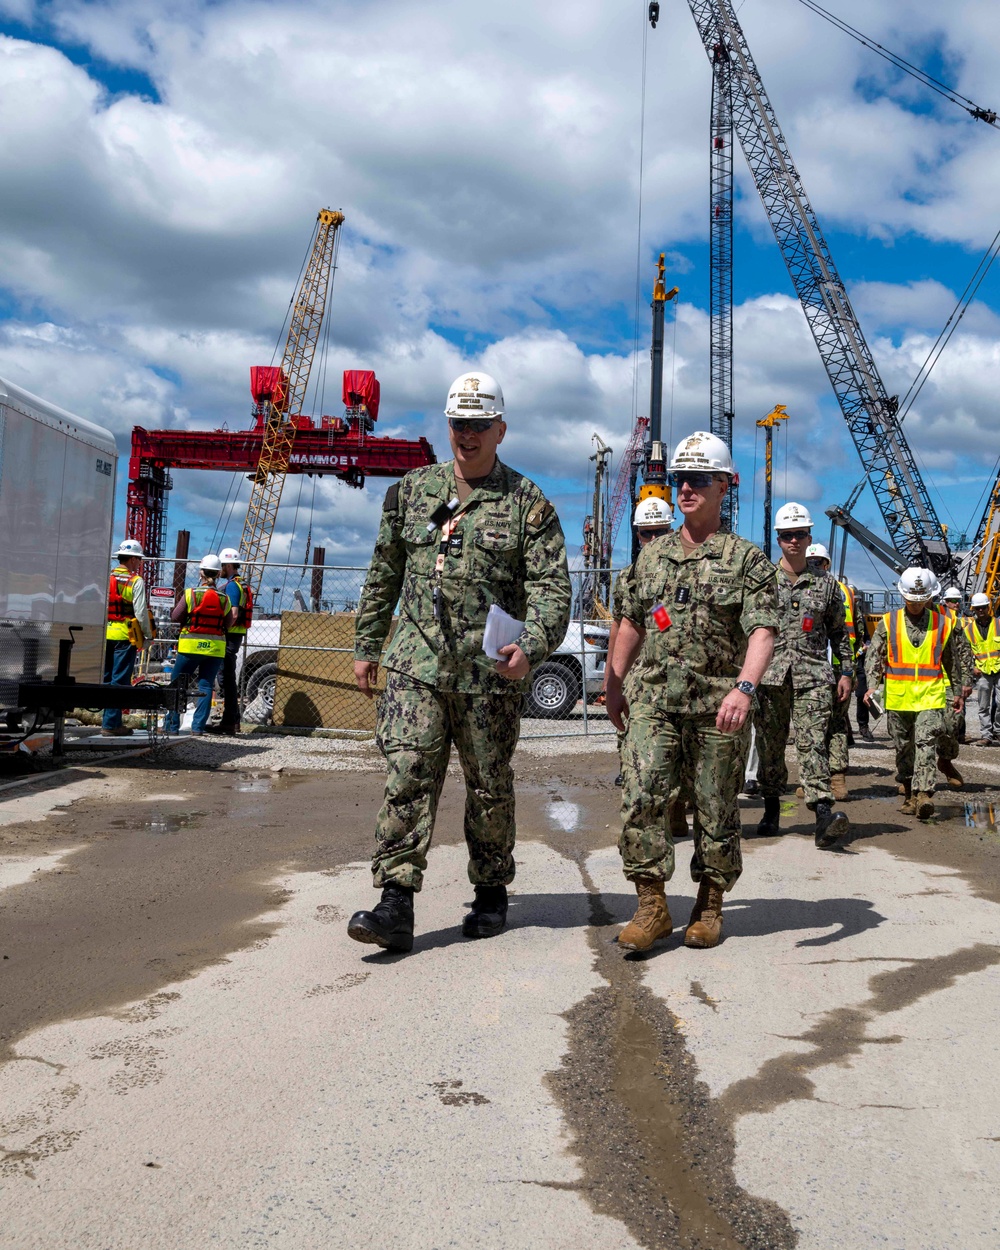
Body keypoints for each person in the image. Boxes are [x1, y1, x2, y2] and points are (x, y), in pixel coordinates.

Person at [347, 371, 572, 953]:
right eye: (457, 424)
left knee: (489, 787)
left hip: (488, 676)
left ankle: (491, 890)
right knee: (407, 778)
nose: (466, 436)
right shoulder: (412, 492)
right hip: (415, 665)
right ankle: (395, 900)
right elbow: (384, 574)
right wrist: (367, 644)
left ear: (500, 429)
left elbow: (552, 588)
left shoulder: (529, 504)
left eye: (478, 425)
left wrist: (536, 645)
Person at [606, 431, 778, 952]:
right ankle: (652, 906)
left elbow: (763, 631)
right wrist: (614, 684)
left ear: (725, 486)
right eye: (681, 479)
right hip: (654, 699)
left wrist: (744, 690)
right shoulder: (653, 558)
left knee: (716, 806)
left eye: (699, 479)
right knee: (641, 796)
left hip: (716, 707)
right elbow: (632, 621)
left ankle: (709, 904)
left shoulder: (746, 561)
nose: (686, 488)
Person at [755, 508, 852, 847]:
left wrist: (846, 672)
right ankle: (771, 807)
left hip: (813, 676)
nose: (793, 541)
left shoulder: (827, 585)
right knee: (770, 747)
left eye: (800, 534)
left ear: (810, 538)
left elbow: (840, 632)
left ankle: (823, 814)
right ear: (778, 539)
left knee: (814, 745)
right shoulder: (763, 581)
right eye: (787, 535)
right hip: (770, 679)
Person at [605, 496, 689, 844]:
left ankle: (677, 806)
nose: (653, 540)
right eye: (646, 533)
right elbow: (619, 629)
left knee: (682, 750)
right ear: (637, 535)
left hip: (679, 676)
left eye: (660, 532)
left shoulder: (688, 572)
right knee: (637, 753)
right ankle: (649, 821)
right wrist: (613, 680)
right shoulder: (628, 579)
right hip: (642, 681)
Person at [864, 568, 973, 820]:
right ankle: (908, 793)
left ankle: (924, 794)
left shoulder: (942, 624)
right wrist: (871, 685)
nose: (916, 604)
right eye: (912, 599)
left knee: (925, 742)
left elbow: (952, 661)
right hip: (898, 698)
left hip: (930, 696)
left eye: (921, 599)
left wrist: (958, 691)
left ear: (930, 597)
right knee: (903, 747)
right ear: (903, 596)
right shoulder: (888, 622)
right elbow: (875, 657)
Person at [805, 541, 856, 798]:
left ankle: (837, 777)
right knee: (812, 725)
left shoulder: (842, 591)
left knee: (835, 722)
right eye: (811, 563)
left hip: (837, 667)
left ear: (827, 564)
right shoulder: (803, 587)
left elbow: (848, 631)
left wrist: (847, 670)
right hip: (814, 667)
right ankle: (814, 778)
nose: (815, 567)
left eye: (819, 563)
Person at [164, 555, 236, 736]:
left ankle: (171, 727)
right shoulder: (224, 599)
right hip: (214, 648)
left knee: (177, 685)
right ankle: (197, 728)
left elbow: (175, 616)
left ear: (201, 573)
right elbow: (228, 623)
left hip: (190, 647)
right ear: (219, 573)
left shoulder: (190, 593)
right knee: (205, 687)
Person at [102, 538, 153, 737]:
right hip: (126, 636)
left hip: (105, 633)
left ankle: (107, 720)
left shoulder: (107, 578)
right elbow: (140, 612)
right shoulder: (135, 581)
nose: (139, 563)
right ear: (132, 560)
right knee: (120, 681)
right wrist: (148, 636)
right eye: (138, 560)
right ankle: (111, 724)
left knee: (106, 679)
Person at [208, 547, 254, 735]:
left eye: (221, 566)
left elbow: (233, 613)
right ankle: (231, 720)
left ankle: (230, 720)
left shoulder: (233, 586)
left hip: (230, 635)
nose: (219, 570)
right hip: (235, 634)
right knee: (226, 677)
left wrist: (221, 630)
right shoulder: (239, 583)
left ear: (227, 565)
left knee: (225, 677)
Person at [935, 584, 970, 786]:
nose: (956, 605)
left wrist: (965, 681)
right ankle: (912, 776)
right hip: (918, 683)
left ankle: (945, 761)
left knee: (952, 723)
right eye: (952, 601)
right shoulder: (903, 619)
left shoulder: (951, 622)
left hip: (948, 682)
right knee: (913, 732)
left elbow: (964, 652)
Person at [965, 592, 1000, 744]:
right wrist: (972, 667)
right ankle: (986, 735)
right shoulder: (969, 630)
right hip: (982, 672)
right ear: (974, 609)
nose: (981, 611)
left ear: (988, 607)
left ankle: (998, 731)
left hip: (999, 670)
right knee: (983, 705)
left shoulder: (999, 624)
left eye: (983, 608)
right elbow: (965, 653)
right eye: (978, 608)